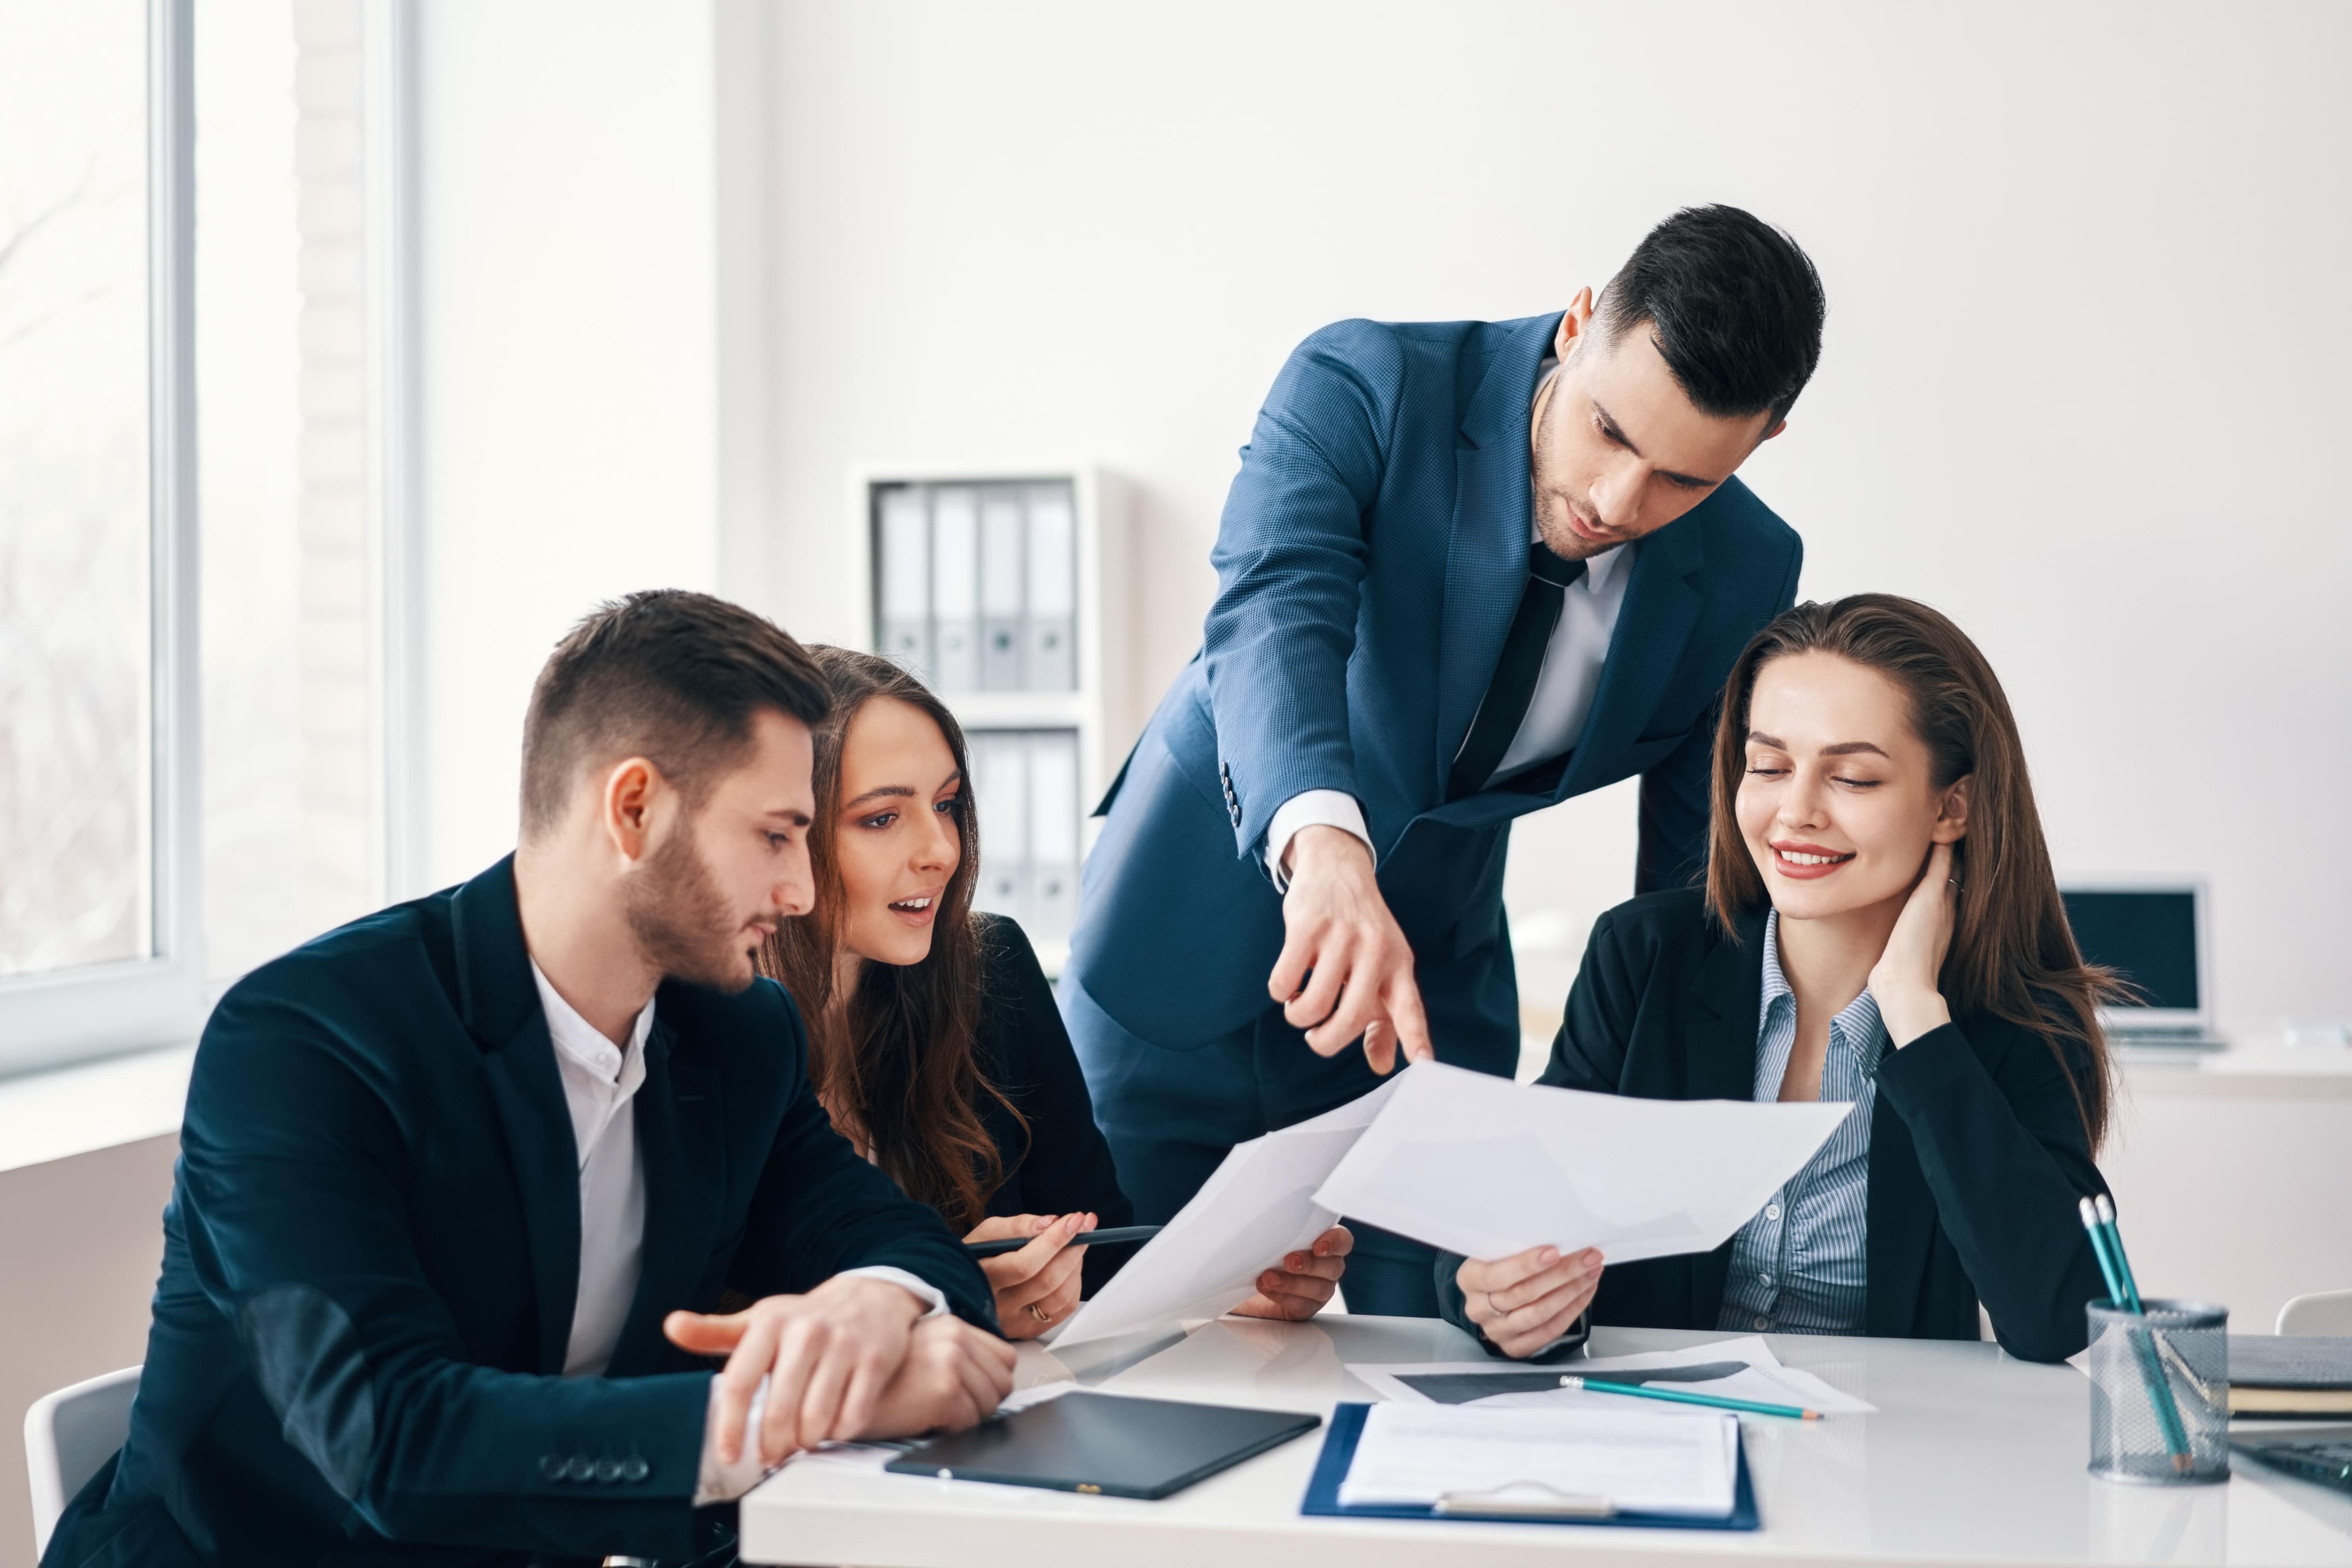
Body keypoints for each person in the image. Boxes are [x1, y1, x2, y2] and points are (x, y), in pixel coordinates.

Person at [44, 592, 1013, 1568]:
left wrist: (878, 1303)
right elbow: (391, 1440)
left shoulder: (738, 1032)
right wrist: (780, 1416)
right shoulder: (305, 1042)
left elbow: (884, 1234)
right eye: (773, 836)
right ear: (633, 810)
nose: (802, 890)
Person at [1066, 205, 1828, 1314]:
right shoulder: (1365, 380)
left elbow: (1688, 878)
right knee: (1137, 1343)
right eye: (1610, 433)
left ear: (1760, 443)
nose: (1620, 505)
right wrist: (1323, 851)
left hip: (1428, 1004)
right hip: (1186, 944)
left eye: (1684, 481)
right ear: (1578, 324)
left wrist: (1642, 1144)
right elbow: (1275, 615)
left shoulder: (1753, 567)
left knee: (1447, 1356)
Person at [1438, 594, 2118, 1366]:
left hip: (1886, 1455)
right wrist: (1503, 1299)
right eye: (1769, 765)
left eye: (1853, 777)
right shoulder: (1647, 954)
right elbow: (1511, 1210)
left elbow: (2063, 1314)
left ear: (1951, 804)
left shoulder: (2015, 1016)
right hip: (1658, 1440)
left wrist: (1918, 1018)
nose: (1796, 811)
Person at [760, 646, 1352, 1337]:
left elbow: (1101, 1247)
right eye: (882, 818)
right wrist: (952, 1295)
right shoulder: (703, 1032)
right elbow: (702, 1315)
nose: (941, 850)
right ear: (782, 834)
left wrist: (1224, 1287)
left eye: (947, 805)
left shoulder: (990, 971)